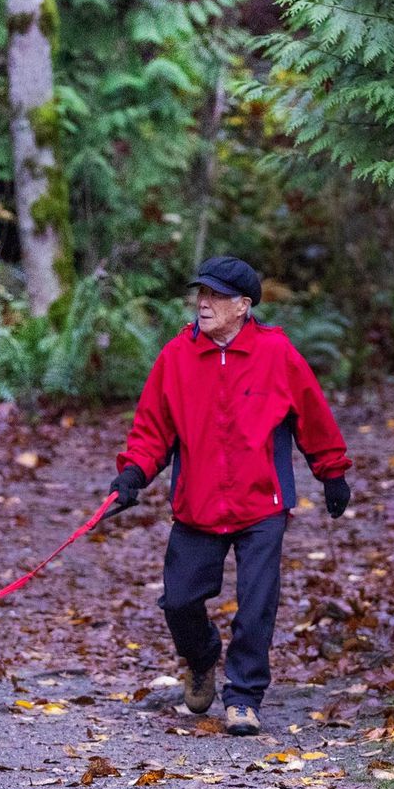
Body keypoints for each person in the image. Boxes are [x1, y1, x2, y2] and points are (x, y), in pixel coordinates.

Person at [107, 256, 354, 736]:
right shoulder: (176, 356)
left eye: (217, 295)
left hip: (261, 503)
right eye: (202, 292)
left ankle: (243, 697)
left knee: (256, 604)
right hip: (197, 505)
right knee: (179, 602)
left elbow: (313, 416)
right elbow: (152, 429)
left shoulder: (277, 354)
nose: (205, 302)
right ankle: (201, 660)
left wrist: (332, 473)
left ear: (243, 306)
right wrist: (135, 473)